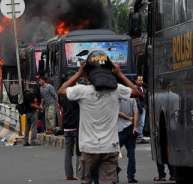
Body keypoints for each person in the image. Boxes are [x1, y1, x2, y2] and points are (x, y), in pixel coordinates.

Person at [58, 50, 139, 184]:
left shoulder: (82, 91)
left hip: (89, 149)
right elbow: (136, 92)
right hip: (110, 148)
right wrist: (119, 74)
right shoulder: (116, 89)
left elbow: (61, 90)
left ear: (87, 74)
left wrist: (79, 73)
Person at [118, 95, 139, 183]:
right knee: (131, 153)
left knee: (114, 154)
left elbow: (116, 112)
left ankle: (114, 175)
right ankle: (130, 176)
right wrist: (135, 127)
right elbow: (136, 112)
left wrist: (127, 118)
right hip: (130, 128)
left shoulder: (116, 98)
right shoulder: (132, 98)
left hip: (119, 129)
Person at [60, 94, 80, 181]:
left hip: (66, 128)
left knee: (68, 153)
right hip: (76, 127)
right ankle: (79, 174)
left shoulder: (63, 99)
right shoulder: (76, 99)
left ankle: (69, 175)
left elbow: (62, 110)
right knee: (79, 152)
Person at [135, 75, 148, 144]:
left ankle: (139, 136)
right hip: (137, 107)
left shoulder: (143, 88)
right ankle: (140, 137)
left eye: (142, 80)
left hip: (143, 107)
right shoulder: (135, 88)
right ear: (136, 81)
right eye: (139, 80)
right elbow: (136, 99)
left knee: (141, 122)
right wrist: (139, 107)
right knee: (139, 122)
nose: (141, 81)